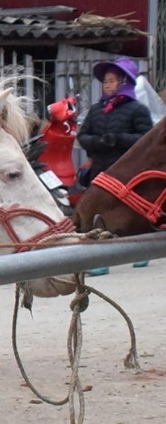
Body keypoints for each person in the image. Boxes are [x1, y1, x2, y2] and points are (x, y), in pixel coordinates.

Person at [76, 57, 154, 276]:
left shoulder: (137, 110)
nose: (107, 84)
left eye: (112, 80)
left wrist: (118, 139)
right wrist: (97, 142)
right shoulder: (96, 110)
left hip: (126, 172)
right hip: (100, 169)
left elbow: (146, 139)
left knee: (129, 213)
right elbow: (83, 135)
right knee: (97, 213)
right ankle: (101, 260)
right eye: (105, 81)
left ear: (124, 82)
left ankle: (141, 250)